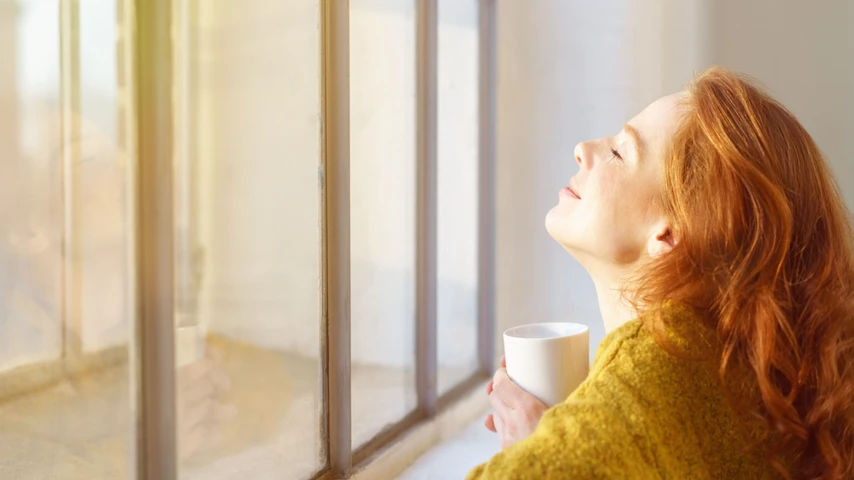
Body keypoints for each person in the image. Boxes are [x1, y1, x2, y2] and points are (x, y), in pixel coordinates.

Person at [468, 67, 854, 479]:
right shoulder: (737, 367)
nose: (583, 149)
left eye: (620, 153)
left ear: (668, 233)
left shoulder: (652, 367)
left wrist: (541, 454)